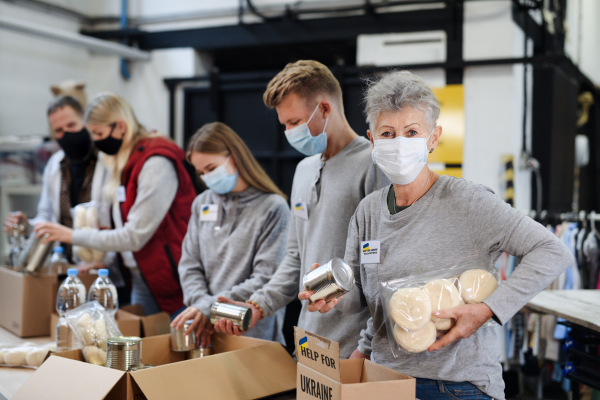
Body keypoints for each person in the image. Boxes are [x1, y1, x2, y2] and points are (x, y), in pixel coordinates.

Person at [299, 70, 573, 400]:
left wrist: (487, 309)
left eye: (411, 131)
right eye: (388, 133)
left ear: (433, 138)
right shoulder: (368, 211)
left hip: (456, 386)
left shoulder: (469, 202)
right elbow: (363, 301)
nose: (399, 143)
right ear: (372, 140)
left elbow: (552, 251)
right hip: (387, 380)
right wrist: (334, 295)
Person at [213, 60, 389, 359]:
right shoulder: (303, 170)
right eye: (284, 125)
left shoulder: (372, 165)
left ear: (324, 108)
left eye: (294, 122)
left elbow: (383, 266)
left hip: (355, 348)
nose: (289, 132)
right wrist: (258, 305)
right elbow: (295, 256)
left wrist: (367, 347)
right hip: (309, 341)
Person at [35, 92, 196, 319]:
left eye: (99, 134)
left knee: (176, 347)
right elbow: (122, 226)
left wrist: (72, 235)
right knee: (143, 345)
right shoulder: (127, 162)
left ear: (120, 127)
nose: (97, 144)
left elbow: (134, 235)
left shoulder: (154, 163)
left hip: (171, 276)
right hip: (141, 274)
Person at [172, 122, 290, 347]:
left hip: (251, 334)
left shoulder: (273, 207)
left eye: (211, 167)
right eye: (201, 172)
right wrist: (202, 307)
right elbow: (189, 265)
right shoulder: (202, 203)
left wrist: (209, 308)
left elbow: (266, 277)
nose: (207, 177)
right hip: (205, 328)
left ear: (234, 157)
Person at [4, 96, 108, 258]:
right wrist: (27, 225)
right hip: (65, 262)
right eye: (59, 130)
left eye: (71, 125)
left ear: (86, 122)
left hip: (104, 263)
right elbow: (45, 217)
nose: (66, 134)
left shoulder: (106, 161)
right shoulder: (55, 164)